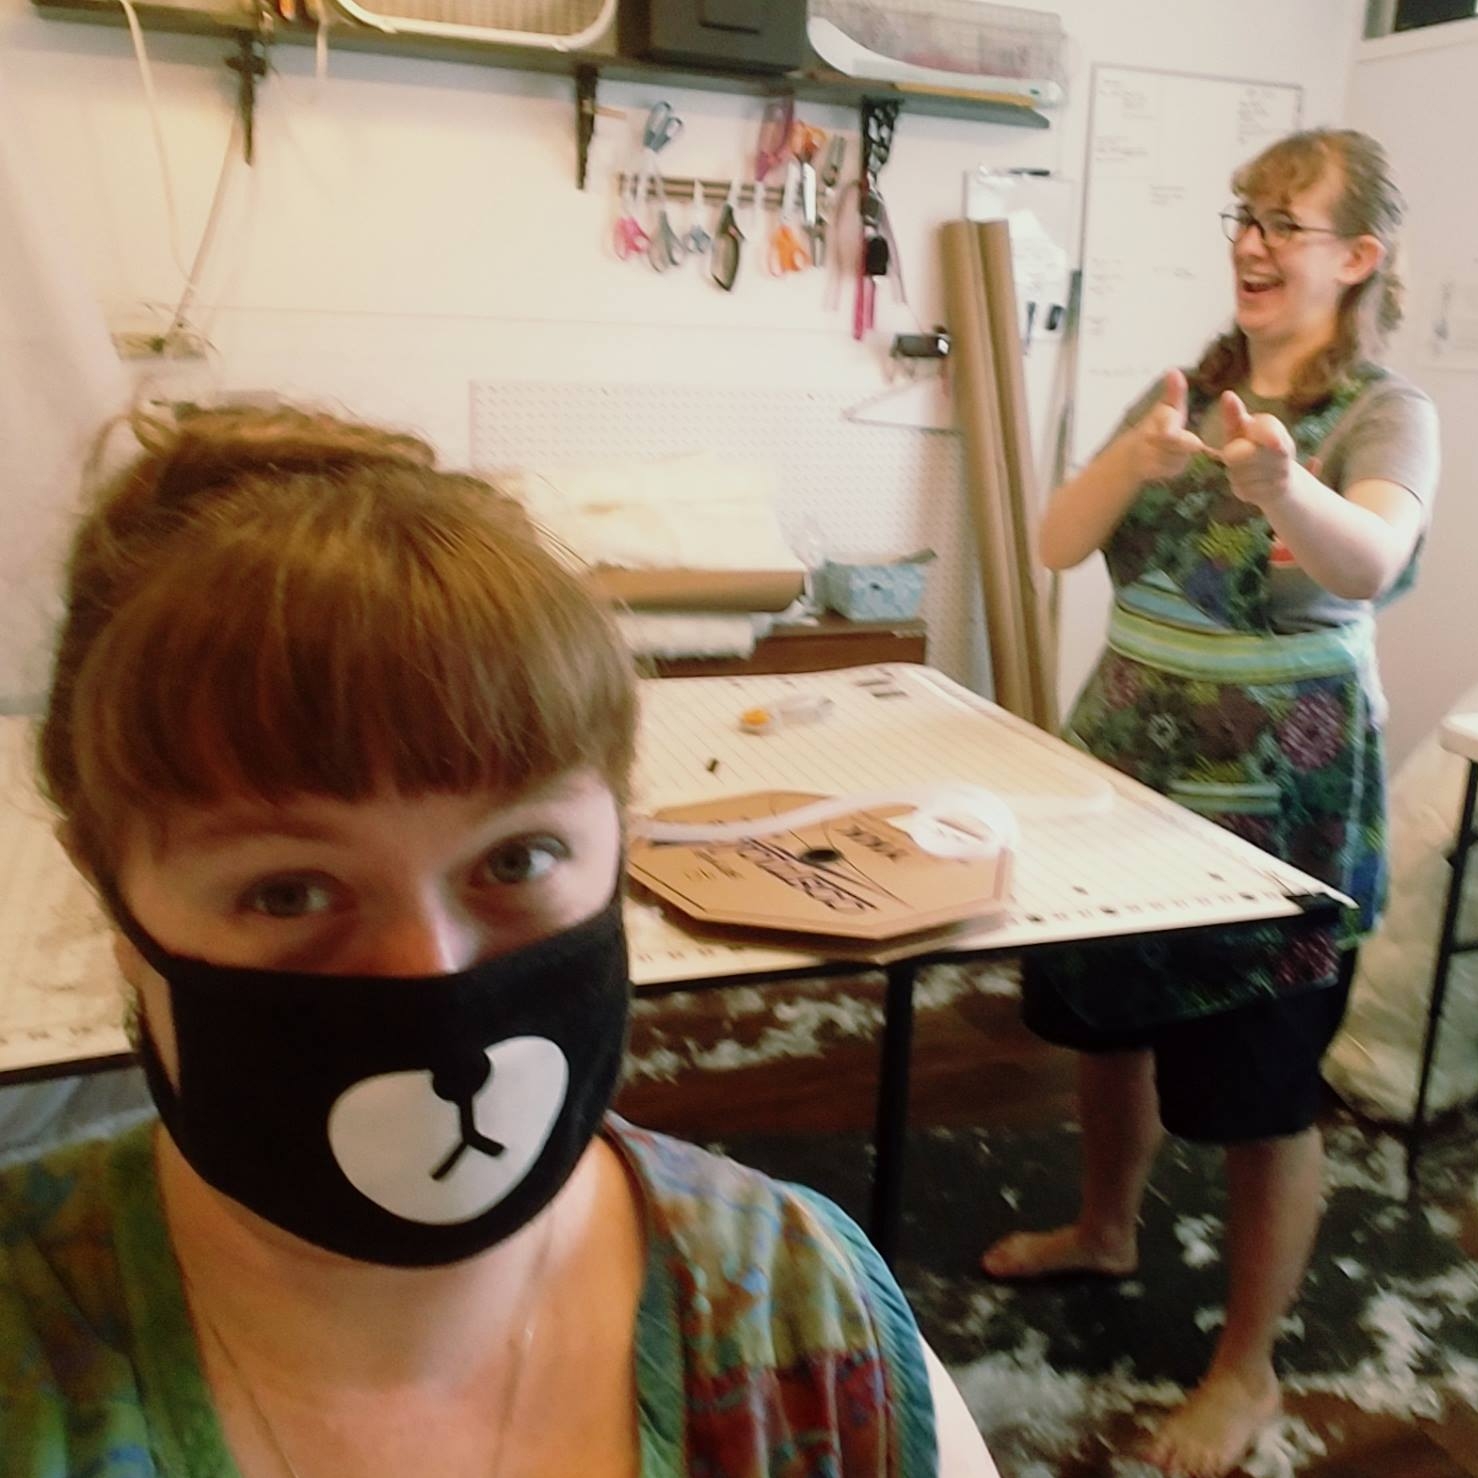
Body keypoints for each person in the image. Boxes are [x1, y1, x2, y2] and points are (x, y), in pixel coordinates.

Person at [0, 405, 997, 1477]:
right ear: (110, 896)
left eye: (516, 859)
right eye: (288, 892)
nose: (431, 973)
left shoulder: (809, 1321)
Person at [981, 128, 1439, 1477]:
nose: (1248, 241)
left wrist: (1283, 481)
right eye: (1242, 214)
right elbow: (1056, 541)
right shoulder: (1184, 387)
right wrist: (1138, 458)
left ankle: (1246, 1365)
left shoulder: (1384, 412)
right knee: (1105, 1024)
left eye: (1283, 222)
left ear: (1354, 257)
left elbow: (1368, 560)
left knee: (1259, 1095)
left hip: (1277, 819)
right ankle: (1103, 1225)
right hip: (1123, 781)